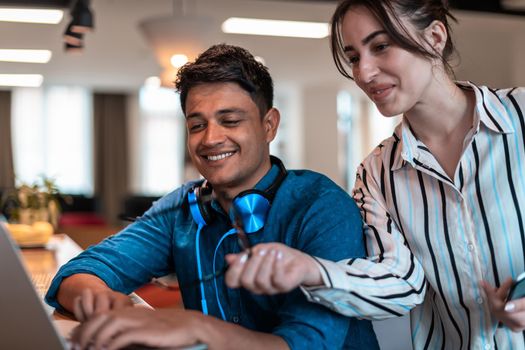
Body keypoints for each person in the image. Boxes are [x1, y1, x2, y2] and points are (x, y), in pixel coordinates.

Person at [225, 1, 525, 349]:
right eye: (354, 57)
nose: (364, 72)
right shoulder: (377, 172)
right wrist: (310, 270)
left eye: (381, 46)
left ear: (435, 37)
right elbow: (401, 281)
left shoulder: (520, 117)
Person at [45, 44, 379, 350]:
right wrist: (101, 301)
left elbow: (307, 344)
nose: (210, 139)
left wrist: (199, 328)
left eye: (230, 120)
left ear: (269, 125)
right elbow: (82, 270)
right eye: (196, 125)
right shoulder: (182, 208)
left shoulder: (321, 206)